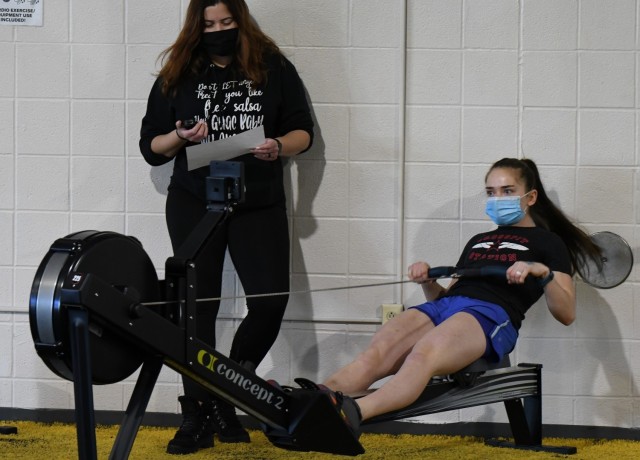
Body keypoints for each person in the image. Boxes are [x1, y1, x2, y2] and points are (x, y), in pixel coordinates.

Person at [139, 0, 313, 455]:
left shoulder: (272, 66)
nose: (218, 30)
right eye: (209, 24)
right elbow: (151, 147)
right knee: (196, 309)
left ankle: (230, 388)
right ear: (196, 26)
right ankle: (196, 413)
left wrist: (278, 145)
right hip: (196, 202)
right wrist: (182, 136)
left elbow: (302, 132)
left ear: (241, 21)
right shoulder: (178, 72)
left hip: (258, 202)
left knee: (270, 301)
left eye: (227, 22)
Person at [317, 158, 602, 435]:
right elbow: (446, 296)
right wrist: (429, 282)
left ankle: (354, 413)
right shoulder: (477, 240)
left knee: (423, 355)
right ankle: (314, 401)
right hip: (447, 306)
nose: (498, 198)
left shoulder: (549, 242)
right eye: (491, 192)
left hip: (490, 315)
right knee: (377, 352)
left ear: (530, 197)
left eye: (507, 191)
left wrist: (542, 273)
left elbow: (566, 314)